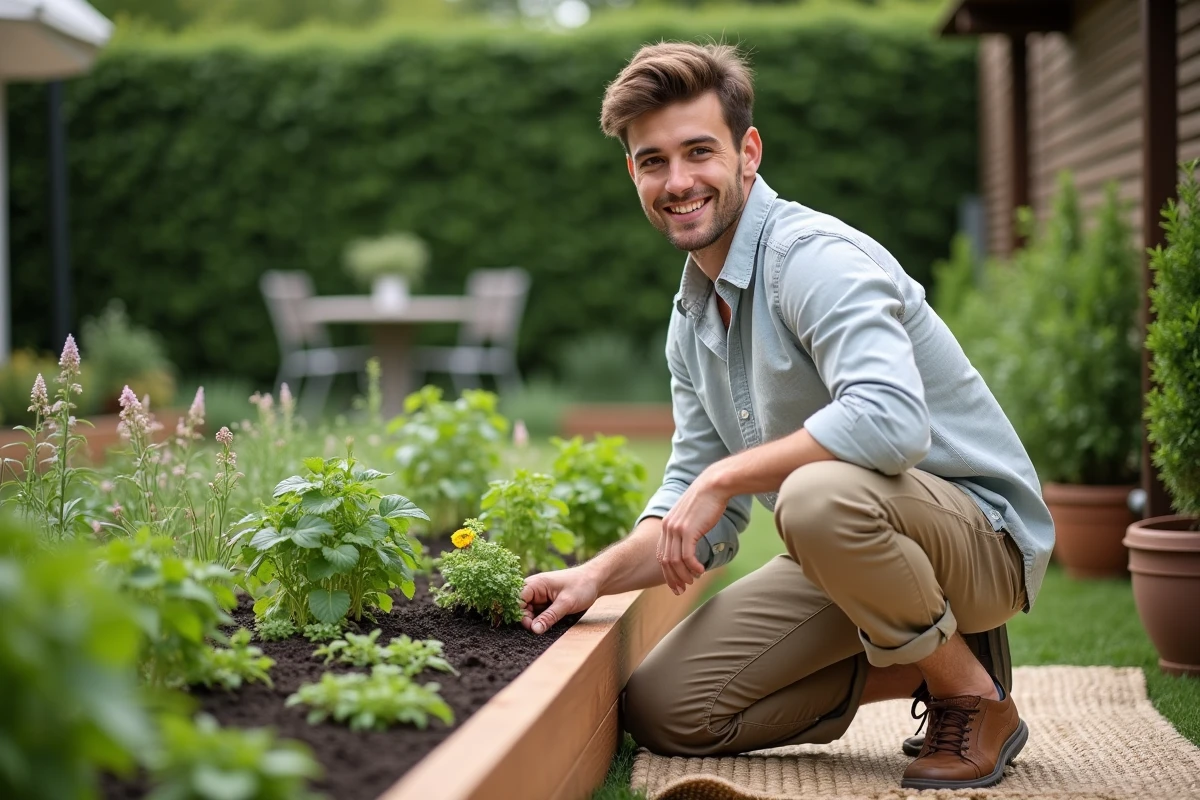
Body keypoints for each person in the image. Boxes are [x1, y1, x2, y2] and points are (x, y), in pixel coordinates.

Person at [519, 41, 1053, 791]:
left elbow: (893, 422)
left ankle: (972, 697)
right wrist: (594, 576)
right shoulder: (691, 317)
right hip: (855, 550)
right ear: (632, 172)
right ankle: (936, 657)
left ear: (748, 152)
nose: (677, 182)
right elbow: (694, 506)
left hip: (980, 540)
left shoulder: (812, 260)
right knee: (669, 708)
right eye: (651, 161)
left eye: (698, 152)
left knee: (813, 494)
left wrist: (727, 474)